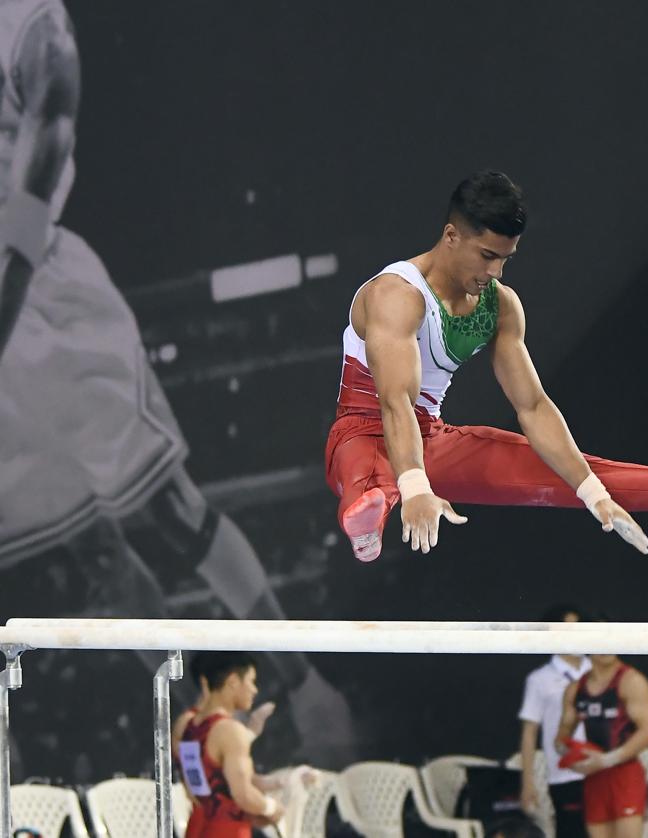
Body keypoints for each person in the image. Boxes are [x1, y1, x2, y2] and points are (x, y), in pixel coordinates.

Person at [0, 0, 353, 765]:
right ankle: (198, 725)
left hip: (44, 305)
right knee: (94, 557)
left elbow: (43, 161)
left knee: (169, 512)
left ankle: (305, 687)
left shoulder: (34, 25)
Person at [324, 170, 648, 562]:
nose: (495, 272)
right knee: (367, 469)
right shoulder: (396, 295)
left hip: (432, 440)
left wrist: (593, 493)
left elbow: (533, 406)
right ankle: (370, 506)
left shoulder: (501, 306)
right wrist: (415, 488)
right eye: (488, 256)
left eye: (506, 260)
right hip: (367, 431)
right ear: (451, 236)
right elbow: (393, 403)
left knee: (590, 475)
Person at [180, 652, 284, 838]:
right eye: (251, 681)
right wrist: (271, 807)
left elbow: (202, 784)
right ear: (233, 681)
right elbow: (243, 794)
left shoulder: (186, 725)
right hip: (229, 831)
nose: (255, 690)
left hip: (197, 826)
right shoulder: (229, 730)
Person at [556, 651, 648, 838]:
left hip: (625, 774)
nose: (606, 650)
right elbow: (561, 739)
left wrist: (608, 759)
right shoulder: (576, 689)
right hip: (594, 777)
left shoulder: (631, 682)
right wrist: (571, 757)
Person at [518, 604, 592, 838]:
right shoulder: (540, 680)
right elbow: (529, 733)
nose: (575, 634)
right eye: (568, 629)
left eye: (578, 628)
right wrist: (527, 782)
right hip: (566, 774)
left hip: (603, 769)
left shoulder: (599, 670)